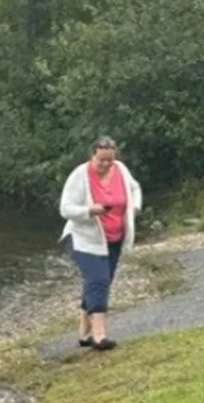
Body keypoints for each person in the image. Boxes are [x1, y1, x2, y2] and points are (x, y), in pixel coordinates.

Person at [58, 136, 142, 351]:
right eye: (101, 160)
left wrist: (134, 208)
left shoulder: (121, 170)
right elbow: (65, 209)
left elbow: (134, 189)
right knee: (98, 280)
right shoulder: (79, 176)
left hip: (113, 238)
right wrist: (89, 211)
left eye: (110, 160)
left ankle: (83, 335)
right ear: (92, 155)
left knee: (100, 283)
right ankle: (99, 336)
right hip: (83, 239)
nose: (106, 164)